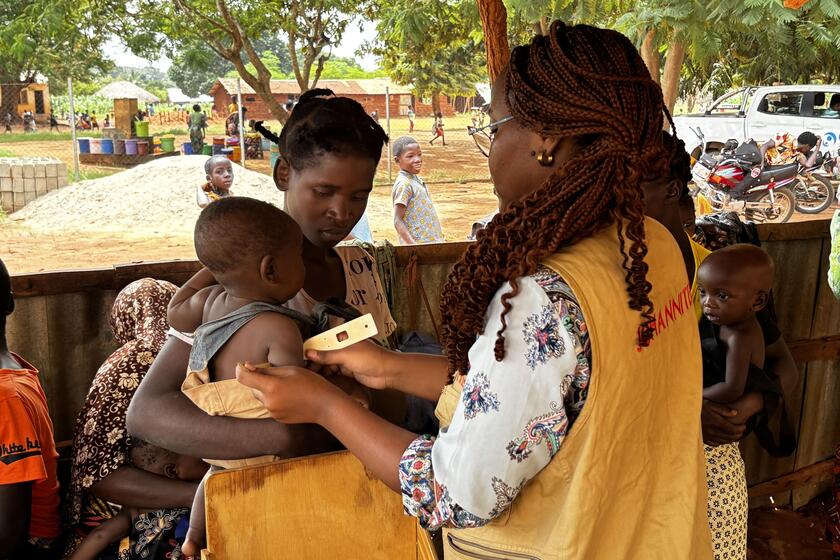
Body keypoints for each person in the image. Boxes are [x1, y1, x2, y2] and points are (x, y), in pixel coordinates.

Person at [235, 22, 713, 558]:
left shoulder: (546, 298)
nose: (490, 148)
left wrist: (324, 405)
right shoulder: (653, 249)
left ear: (546, 140)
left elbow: (455, 492)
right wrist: (384, 366)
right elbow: (551, 392)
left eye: (493, 128)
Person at [126, 88, 399, 506]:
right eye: (324, 192)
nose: (342, 212)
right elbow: (146, 413)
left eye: (358, 195)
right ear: (284, 174)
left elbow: (389, 384)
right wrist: (290, 434)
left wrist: (358, 399)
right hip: (269, 497)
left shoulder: (361, 267)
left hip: (354, 485)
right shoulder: (240, 282)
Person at [168, 197, 369, 556]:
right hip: (273, 451)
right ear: (272, 270)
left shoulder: (209, 302)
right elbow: (296, 386)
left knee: (214, 477)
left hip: (225, 444)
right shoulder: (278, 327)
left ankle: (194, 537)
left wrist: (217, 264)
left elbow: (174, 312)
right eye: (298, 258)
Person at [643, 131, 797, 559]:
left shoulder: (720, 275)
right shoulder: (607, 282)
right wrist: (685, 413)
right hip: (640, 468)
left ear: (671, 190)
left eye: (628, 186)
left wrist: (752, 405)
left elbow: (785, 365)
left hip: (710, 467)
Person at [64, 279, 199, 560]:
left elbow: (93, 472)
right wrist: (199, 494)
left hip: (125, 512)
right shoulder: (197, 355)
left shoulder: (120, 365)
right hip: (182, 494)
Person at [0, 258, 61, 560]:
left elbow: (9, 536)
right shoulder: (14, 366)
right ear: (10, 304)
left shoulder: (5, 399)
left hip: (29, 547)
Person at [67, 440, 206, 560]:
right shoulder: (202, 492)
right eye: (202, 458)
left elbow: (101, 535)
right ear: (172, 471)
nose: (209, 459)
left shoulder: (134, 505)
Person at [698, 245, 776, 403]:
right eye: (702, 292)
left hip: (730, 410)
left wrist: (693, 396)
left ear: (758, 301)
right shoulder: (726, 321)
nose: (707, 303)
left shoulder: (740, 337)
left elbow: (732, 389)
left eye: (722, 296)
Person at [391, 136, 444, 244]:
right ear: (397, 160)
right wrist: (413, 246)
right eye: (410, 156)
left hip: (431, 243)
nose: (417, 159)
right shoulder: (404, 184)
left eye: (419, 154)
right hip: (419, 246)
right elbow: (397, 221)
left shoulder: (415, 179)